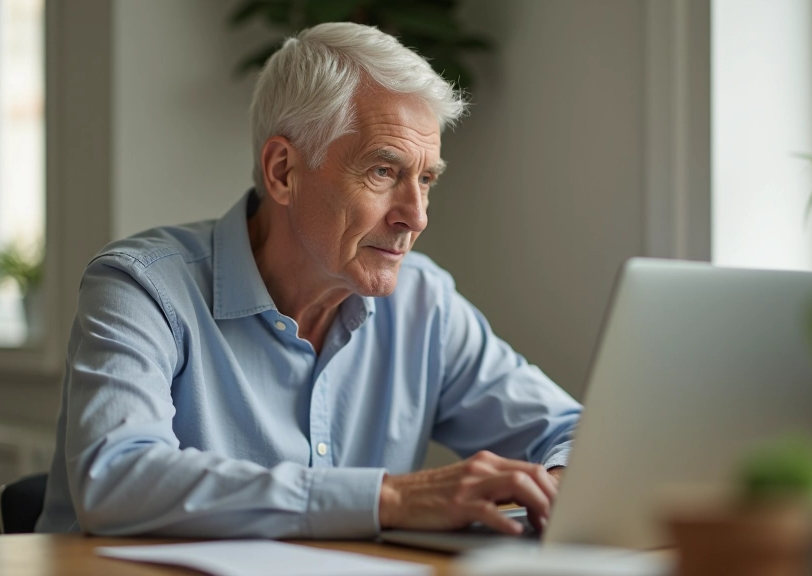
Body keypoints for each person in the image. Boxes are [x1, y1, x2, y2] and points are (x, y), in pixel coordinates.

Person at [35, 22, 581, 539]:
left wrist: (560, 487)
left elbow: (576, 433)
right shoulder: (141, 289)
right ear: (283, 172)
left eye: (427, 178)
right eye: (384, 171)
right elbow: (115, 478)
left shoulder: (424, 302)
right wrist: (388, 500)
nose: (416, 216)